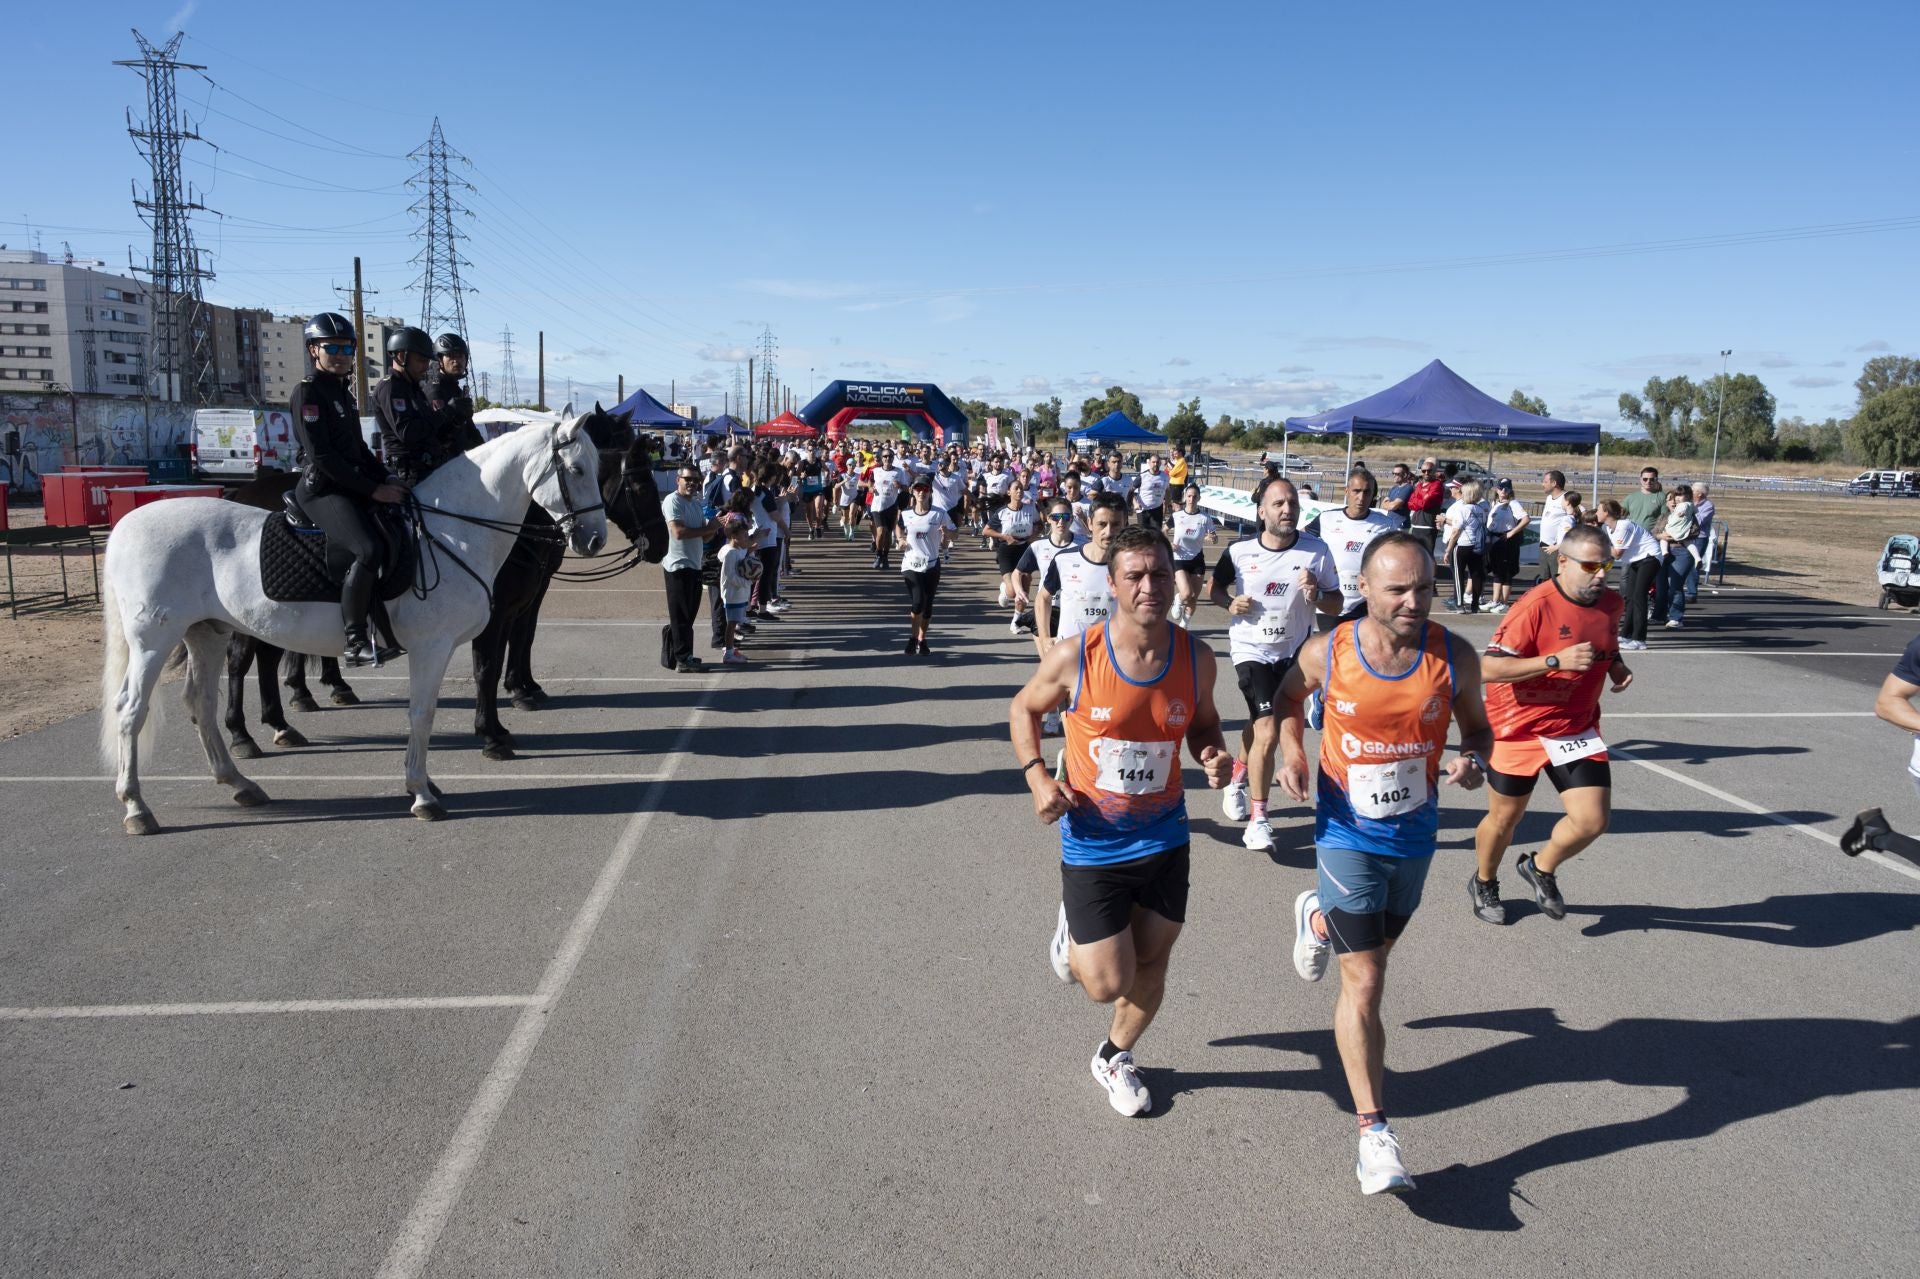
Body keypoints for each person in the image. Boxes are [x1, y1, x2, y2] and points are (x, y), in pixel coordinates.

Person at [1274, 532, 1493, 1195]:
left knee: (1379, 951)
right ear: (1364, 587)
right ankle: (1374, 1132)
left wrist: (1475, 758)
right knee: (1364, 979)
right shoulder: (1330, 651)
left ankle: (1318, 921)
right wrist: (1290, 747)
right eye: (1398, 588)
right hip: (1345, 830)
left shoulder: (1453, 655)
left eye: (1425, 587)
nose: (1413, 600)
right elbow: (1287, 697)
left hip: (1415, 834)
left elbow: (1479, 727)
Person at [1010, 525, 1234, 1117]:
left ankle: (1114, 1055)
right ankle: (1073, 932)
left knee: (1154, 960)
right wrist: (1038, 776)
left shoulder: (1196, 657)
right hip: (1094, 839)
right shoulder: (1076, 656)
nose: (1149, 586)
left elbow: (1205, 725)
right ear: (1112, 584)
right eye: (1134, 575)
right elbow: (1022, 709)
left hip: (1165, 834)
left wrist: (1211, 753)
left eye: (1159, 573)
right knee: (1107, 982)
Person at [1468, 522, 1632, 925]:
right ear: (1563, 561)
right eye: (1591, 566)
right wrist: (1554, 661)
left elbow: (1605, 645)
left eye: (1606, 565)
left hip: (1575, 726)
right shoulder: (1533, 606)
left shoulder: (1611, 603)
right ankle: (1484, 881)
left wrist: (1617, 667)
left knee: (1593, 820)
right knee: (1506, 819)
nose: (1600, 575)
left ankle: (1540, 867)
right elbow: (1487, 668)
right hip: (1516, 728)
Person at [1211, 475, 1342, 851]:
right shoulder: (1239, 551)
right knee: (1268, 727)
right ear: (1261, 510)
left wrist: (1317, 592)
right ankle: (1259, 819)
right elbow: (1215, 589)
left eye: (1293, 506)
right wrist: (1228, 603)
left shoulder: (1316, 551)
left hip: (1295, 653)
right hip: (1251, 650)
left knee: (1258, 725)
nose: (1288, 511)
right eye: (1279, 504)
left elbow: (1336, 605)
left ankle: (1238, 777)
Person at [288, 312, 408, 667]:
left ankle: (385, 627)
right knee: (367, 549)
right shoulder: (307, 392)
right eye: (332, 347)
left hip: (350, 484)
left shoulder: (343, 394)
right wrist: (373, 490)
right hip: (322, 489)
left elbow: (357, 452)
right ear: (314, 350)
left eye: (347, 347)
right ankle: (355, 639)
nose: (341, 354)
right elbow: (322, 456)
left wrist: (386, 477)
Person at [1036, 492, 1128, 651]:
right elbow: (1043, 598)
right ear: (1090, 523)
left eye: (1115, 524)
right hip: (1071, 656)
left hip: (1112, 656)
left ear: (1125, 524)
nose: (1109, 531)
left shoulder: (1131, 565)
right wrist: (1044, 638)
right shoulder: (1064, 560)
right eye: (1102, 524)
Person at [1305, 467, 1396, 623]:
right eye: (1356, 491)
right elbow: (1302, 541)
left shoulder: (1385, 524)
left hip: (1365, 605)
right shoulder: (1327, 518)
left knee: (1360, 647)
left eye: (1367, 492)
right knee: (1330, 647)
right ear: (1347, 491)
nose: (1361, 497)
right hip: (1330, 602)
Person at [661, 463, 719, 673]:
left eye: (696, 480)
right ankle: (683, 658)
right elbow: (678, 532)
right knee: (681, 615)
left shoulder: (695, 504)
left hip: (694, 564)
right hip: (677, 565)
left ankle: (685, 655)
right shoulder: (672, 501)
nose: (693, 483)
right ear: (678, 480)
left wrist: (715, 526)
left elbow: (705, 536)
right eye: (689, 479)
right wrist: (707, 528)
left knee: (689, 615)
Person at [370, 326, 442, 486]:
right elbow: (407, 432)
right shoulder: (391, 388)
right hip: (407, 473)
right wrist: (443, 415)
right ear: (401, 356)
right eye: (421, 361)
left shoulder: (414, 388)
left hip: (426, 465)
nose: (426, 367)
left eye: (428, 362)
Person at [1014, 495, 1087, 644]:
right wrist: (1019, 590)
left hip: (1073, 610)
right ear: (1048, 519)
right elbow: (1017, 573)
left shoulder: (1083, 545)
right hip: (1046, 608)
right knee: (1048, 661)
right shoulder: (1038, 546)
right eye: (1056, 517)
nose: (1061, 522)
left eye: (1066, 517)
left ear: (1071, 519)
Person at [896, 480, 955, 656]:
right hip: (911, 564)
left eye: (925, 489)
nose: (922, 492)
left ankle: (922, 638)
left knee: (928, 606)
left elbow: (955, 533)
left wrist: (947, 534)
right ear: (913, 492)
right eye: (918, 489)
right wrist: (900, 539)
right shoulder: (906, 514)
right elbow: (898, 527)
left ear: (930, 492)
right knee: (918, 601)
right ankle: (913, 638)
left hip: (931, 564)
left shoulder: (939, 513)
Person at [1599, 499, 1661, 650]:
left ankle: (1639, 639)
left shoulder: (1623, 525)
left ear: (1606, 512)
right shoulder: (1608, 529)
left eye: (1598, 510)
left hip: (1650, 557)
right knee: (1630, 596)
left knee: (1639, 596)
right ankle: (1626, 634)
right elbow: (1613, 553)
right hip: (1636, 560)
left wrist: (1600, 545)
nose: (1596, 513)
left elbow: (1618, 553)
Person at [1167, 485, 1219, 627]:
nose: (1191, 499)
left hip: (1197, 560)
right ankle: (1178, 599)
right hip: (1179, 559)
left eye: (1194, 496)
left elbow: (1215, 537)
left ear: (1199, 498)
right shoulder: (1177, 516)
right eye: (1189, 496)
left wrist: (1213, 538)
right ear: (1185, 497)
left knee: (1193, 599)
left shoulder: (1205, 518)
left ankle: (1184, 625)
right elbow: (1163, 530)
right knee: (1186, 593)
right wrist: (1169, 544)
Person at [424, 333, 482, 458]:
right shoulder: (435, 389)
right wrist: (452, 414)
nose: (457, 361)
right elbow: (436, 435)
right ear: (439, 360)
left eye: (460, 356)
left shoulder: (454, 387)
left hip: (462, 460)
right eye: (450, 356)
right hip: (443, 464)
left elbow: (469, 427)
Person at [1441, 479, 1490, 614]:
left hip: (1462, 545)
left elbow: (1456, 531)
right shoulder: (1481, 510)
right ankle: (1475, 604)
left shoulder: (1462, 509)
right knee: (1476, 574)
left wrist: (1448, 549)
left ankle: (1459, 604)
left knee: (1458, 575)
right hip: (1477, 545)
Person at [1652, 485, 1698, 630]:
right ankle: (1658, 615)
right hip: (1664, 552)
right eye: (1670, 499)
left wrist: (1677, 534)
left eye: (1675, 499)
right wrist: (1661, 535)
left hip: (1681, 552)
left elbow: (1696, 532)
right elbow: (1654, 532)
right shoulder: (1664, 516)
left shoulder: (1689, 514)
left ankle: (1675, 617)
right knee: (1660, 586)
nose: (1673, 502)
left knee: (1675, 586)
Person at [988, 480, 1039, 609]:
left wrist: (1033, 536)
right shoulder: (1002, 512)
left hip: (1024, 548)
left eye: (1021, 489)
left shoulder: (1030, 509)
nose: (1019, 491)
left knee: (1025, 582)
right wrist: (1004, 536)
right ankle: (1005, 589)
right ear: (1009, 492)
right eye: (1016, 488)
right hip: (1006, 550)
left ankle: (1017, 620)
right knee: (1012, 591)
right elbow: (986, 530)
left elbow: (1039, 524)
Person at [716, 515, 758, 665]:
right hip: (733, 594)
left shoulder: (737, 550)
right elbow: (730, 575)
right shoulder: (730, 553)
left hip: (739, 594)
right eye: (744, 535)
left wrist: (751, 551)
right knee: (732, 624)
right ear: (734, 536)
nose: (747, 537)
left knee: (734, 623)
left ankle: (731, 649)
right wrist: (748, 581)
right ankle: (728, 653)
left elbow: (744, 562)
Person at [1484, 478, 1530, 613]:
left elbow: (1526, 519)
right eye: (1500, 488)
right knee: (1497, 571)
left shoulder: (1513, 504)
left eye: (1506, 488)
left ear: (1510, 490)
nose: (1503, 491)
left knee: (1507, 572)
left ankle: (1504, 602)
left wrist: (1512, 532)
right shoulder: (1494, 503)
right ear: (1496, 489)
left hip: (1508, 540)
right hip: (1495, 539)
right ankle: (1495, 600)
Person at [867, 450, 908, 570]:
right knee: (880, 531)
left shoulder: (899, 471)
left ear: (893, 458)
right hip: (877, 506)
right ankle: (878, 555)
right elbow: (869, 482)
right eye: (885, 456)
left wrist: (900, 486)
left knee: (889, 533)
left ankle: (885, 557)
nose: (887, 458)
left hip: (892, 506)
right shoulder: (876, 471)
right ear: (881, 458)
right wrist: (870, 488)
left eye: (890, 456)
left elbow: (906, 488)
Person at [1404, 458, 1447, 553]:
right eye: (1424, 471)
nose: (1426, 473)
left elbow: (1425, 503)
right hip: (1415, 525)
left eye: (1429, 470)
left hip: (1428, 526)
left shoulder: (1437, 485)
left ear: (1434, 471)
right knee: (1415, 553)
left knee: (1427, 555)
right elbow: (1410, 504)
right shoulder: (1419, 486)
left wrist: (1417, 500)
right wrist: (1422, 499)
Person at [1535, 470, 1571, 582]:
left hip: (1556, 548)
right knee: (1545, 579)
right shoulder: (1549, 498)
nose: (1542, 484)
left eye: (1545, 481)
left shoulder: (1566, 498)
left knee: (1558, 580)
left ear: (1554, 483)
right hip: (1544, 546)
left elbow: (1580, 515)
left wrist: (1558, 545)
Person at [1685, 482, 1716, 603]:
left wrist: (1687, 513)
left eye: (1692, 491)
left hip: (1699, 537)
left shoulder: (1708, 505)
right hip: (1686, 536)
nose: (1690, 493)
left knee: (1694, 565)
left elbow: (1700, 520)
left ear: (1699, 493)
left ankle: (1692, 593)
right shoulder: (1688, 502)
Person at [1622, 466, 1665, 531]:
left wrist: (1657, 534)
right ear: (1640, 479)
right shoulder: (1630, 497)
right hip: (1632, 534)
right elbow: (1620, 516)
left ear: (1656, 480)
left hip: (1651, 537)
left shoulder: (1662, 497)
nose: (1648, 481)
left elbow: (1664, 519)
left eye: (1652, 479)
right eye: (1645, 479)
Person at [1134, 455, 1170, 531]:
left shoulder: (1165, 477)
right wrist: (1135, 503)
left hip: (1157, 509)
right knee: (1143, 535)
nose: (1155, 464)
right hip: (1143, 509)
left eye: (1157, 462)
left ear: (1160, 463)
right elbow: (1131, 491)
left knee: (1156, 534)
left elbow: (1167, 492)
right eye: (1153, 462)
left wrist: (1165, 508)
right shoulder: (1142, 476)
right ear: (1149, 463)